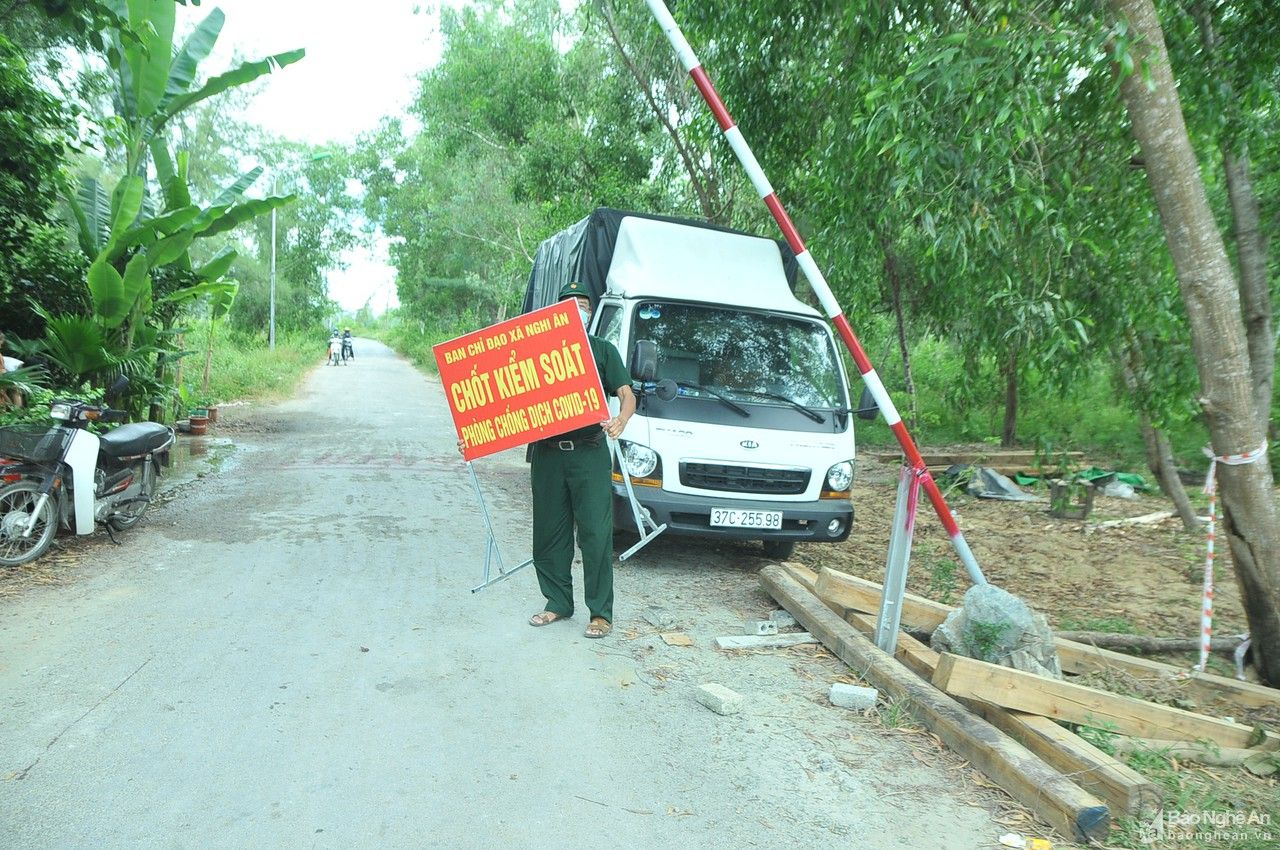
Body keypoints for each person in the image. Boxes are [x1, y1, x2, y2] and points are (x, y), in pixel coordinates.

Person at [457, 281, 635, 639]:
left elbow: (627, 394)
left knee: (596, 534)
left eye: (583, 304)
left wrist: (622, 418)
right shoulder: (534, 354)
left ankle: (600, 613)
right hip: (548, 456)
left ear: (591, 311)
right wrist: (474, 434)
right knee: (548, 533)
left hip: (589, 452)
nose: (578, 310)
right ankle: (557, 603)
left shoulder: (602, 351)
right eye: (570, 304)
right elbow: (500, 396)